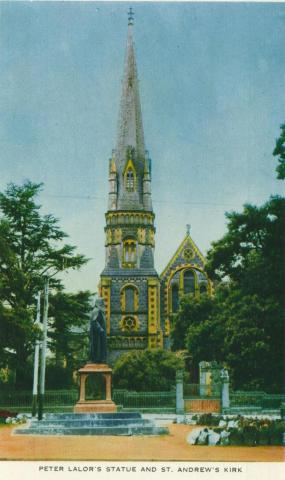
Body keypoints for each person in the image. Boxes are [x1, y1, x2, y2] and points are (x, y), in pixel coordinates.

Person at [88, 296, 107, 364]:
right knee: (97, 347)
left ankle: (97, 359)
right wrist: (101, 329)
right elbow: (94, 321)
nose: (103, 304)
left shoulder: (97, 310)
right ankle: (97, 359)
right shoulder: (97, 310)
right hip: (98, 334)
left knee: (96, 347)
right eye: (102, 302)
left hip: (97, 334)